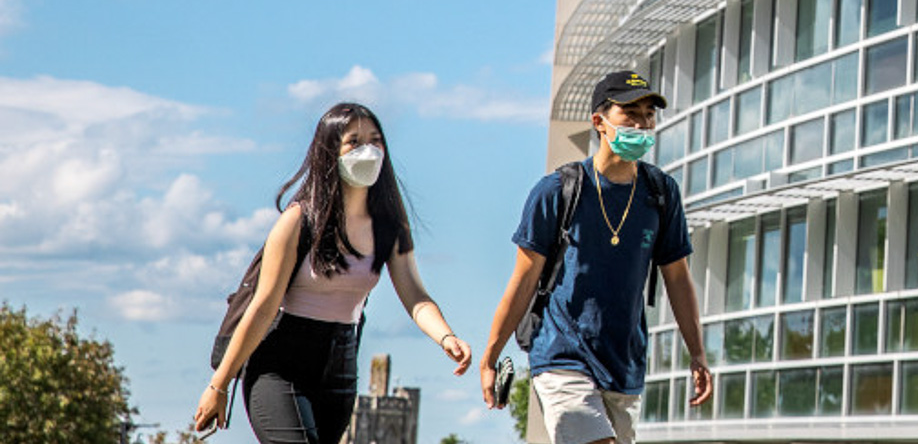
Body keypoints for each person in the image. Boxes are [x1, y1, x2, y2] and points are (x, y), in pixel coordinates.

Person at [192, 102, 472, 442]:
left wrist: (446, 336)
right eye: (353, 141)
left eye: (375, 140)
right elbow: (263, 307)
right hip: (280, 363)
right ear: (330, 152)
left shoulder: (390, 226)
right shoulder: (298, 221)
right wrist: (219, 385)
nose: (367, 150)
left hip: (340, 363)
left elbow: (415, 295)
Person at [479, 70, 710, 444]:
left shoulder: (661, 193)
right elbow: (522, 280)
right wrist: (490, 356)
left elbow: (678, 278)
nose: (642, 123)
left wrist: (697, 353)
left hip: (624, 362)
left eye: (648, 115)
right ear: (599, 122)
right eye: (630, 114)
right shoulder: (557, 191)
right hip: (561, 355)